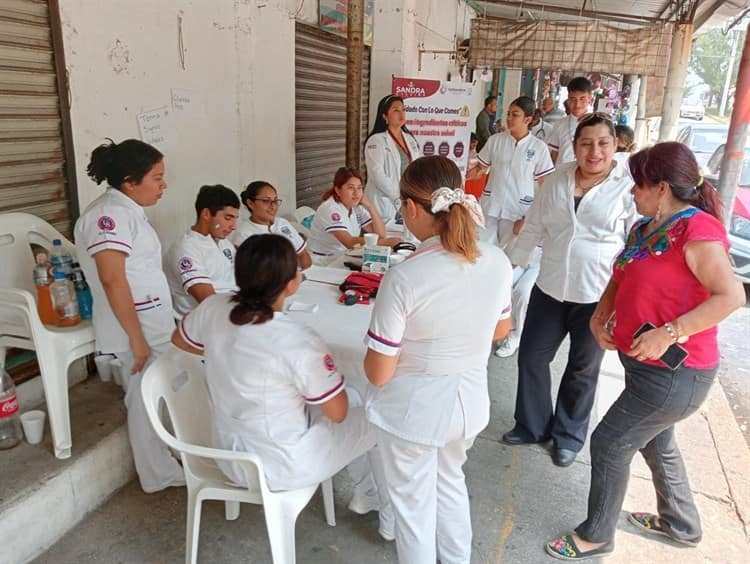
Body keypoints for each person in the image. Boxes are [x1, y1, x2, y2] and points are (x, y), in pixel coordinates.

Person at [545, 142, 746, 561]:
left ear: (661, 187)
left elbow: (729, 297)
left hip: (678, 374)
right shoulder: (645, 228)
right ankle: (681, 524)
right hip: (642, 366)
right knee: (656, 442)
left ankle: (596, 534)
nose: (632, 192)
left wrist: (671, 332)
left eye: (638, 184)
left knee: (610, 442)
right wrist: (600, 317)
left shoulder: (696, 230)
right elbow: (620, 278)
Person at [172, 234, 392, 534]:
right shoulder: (298, 340)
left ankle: (367, 493)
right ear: (292, 283)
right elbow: (337, 413)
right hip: (281, 464)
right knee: (378, 416)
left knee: (342, 395)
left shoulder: (213, 308)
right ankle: (384, 511)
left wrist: (227, 357)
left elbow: (180, 340)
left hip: (229, 451)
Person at [364, 156, 514, 563]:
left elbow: (378, 374)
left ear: (412, 208)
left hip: (415, 414)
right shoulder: (496, 260)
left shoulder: (405, 276)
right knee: (449, 484)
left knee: (413, 509)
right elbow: (501, 332)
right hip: (468, 405)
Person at [504, 113, 638, 468]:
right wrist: (509, 268)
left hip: (597, 295)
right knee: (531, 356)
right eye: (586, 143)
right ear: (575, 146)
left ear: (615, 145)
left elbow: (633, 245)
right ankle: (531, 425)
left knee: (582, 368)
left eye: (603, 143)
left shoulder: (627, 188)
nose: (594, 151)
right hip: (550, 286)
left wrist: (626, 297)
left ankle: (568, 436)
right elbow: (533, 227)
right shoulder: (558, 180)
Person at [74, 139, 184, 493]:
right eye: (156, 177)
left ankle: (166, 459)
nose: (163, 185)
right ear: (129, 180)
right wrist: (135, 338)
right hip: (133, 326)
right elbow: (111, 277)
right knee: (143, 395)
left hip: (149, 320)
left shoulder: (128, 210)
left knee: (156, 390)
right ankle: (156, 473)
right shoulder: (108, 216)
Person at [470, 95, 555, 248]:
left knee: (508, 256)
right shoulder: (495, 140)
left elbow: (546, 184)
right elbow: (480, 169)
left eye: (515, 115)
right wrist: (460, 175)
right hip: (491, 207)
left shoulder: (538, 148)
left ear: (527, 119)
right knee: (483, 251)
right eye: (508, 113)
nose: (509, 118)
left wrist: (537, 215)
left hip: (518, 211)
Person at [165, 185, 240, 316]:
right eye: (228, 218)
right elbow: (208, 301)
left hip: (231, 311)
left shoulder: (224, 243)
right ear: (206, 214)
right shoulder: (186, 248)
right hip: (204, 322)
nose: (234, 227)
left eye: (235, 219)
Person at [308, 167, 399, 266]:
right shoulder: (330, 209)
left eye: (359, 188)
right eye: (351, 188)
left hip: (343, 256)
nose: (356, 193)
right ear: (338, 190)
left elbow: (380, 235)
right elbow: (350, 242)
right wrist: (384, 243)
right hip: (323, 263)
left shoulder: (356, 207)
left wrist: (370, 206)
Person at [229, 180, 312, 269]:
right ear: (250, 203)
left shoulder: (282, 224)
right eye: (266, 201)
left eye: (275, 201)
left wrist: (307, 274)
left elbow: (302, 254)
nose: (273, 207)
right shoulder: (243, 234)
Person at [364, 95, 421, 222]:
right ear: (384, 116)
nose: (401, 114)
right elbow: (376, 173)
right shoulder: (376, 140)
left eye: (403, 110)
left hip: (406, 202)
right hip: (383, 204)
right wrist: (397, 197)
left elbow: (417, 168)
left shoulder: (410, 139)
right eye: (395, 110)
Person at [548, 77, 594, 165]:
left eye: (582, 99)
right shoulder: (559, 124)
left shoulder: (597, 123)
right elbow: (554, 155)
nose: (577, 104)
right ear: (568, 99)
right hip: (562, 175)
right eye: (573, 99)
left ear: (590, 98)